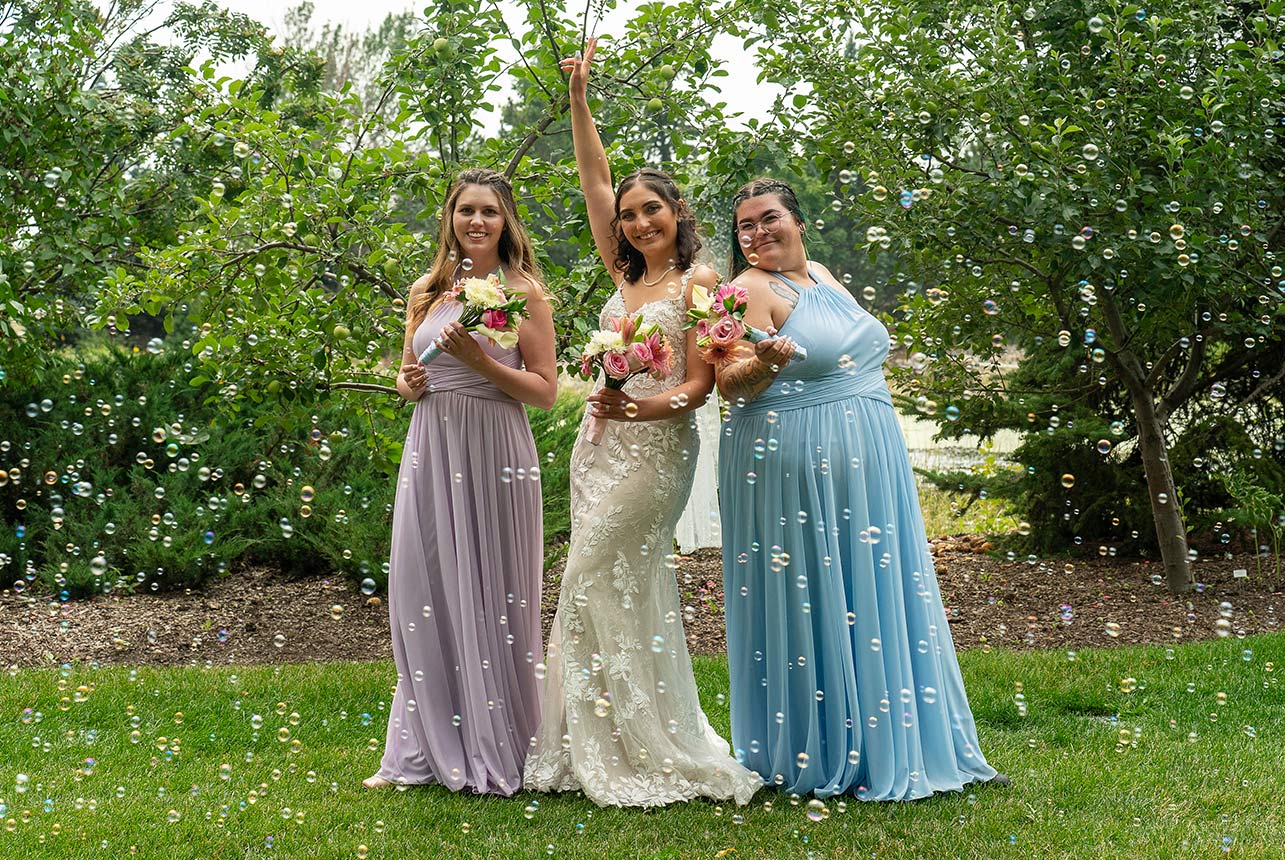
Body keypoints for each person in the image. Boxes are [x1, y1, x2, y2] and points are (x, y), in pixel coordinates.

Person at [524, 41, 762, 808]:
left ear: (677, 212)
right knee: (598, 589)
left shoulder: (701, 281)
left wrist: (641, 405)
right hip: (598, 449)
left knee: (592, 576)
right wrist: (580, 99)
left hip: (655, 448)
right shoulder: (625, 275)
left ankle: (650, 747)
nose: (634, 222)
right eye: (626, 216)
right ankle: (592, 741)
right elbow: (593, 178)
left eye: (649, 209)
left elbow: (699, 386)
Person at [713, 177, 1004, 800]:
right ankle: (823, 745)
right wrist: (764, 362)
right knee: (815, 590)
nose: (758, 234)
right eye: (746, 227)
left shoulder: (817, 272)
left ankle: (897, 737)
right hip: (793, 459)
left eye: (769, 219)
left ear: (797, 221)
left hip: (869, 451)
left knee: (874, 586)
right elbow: (728, 383)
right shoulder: (745, 290)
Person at [363, 168, 558, 795]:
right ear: (450, 217)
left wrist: (479, 361)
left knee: (491, 590)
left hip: (494, 447)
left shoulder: (524, 292)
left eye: (490, 212)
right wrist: (409, 384)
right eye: (466, 210)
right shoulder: (428, 289)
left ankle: (497, 740)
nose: (477, 222)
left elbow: (546, 392)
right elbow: (407, 370)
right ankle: (424, 745)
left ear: (507, 223)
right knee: (429, 587)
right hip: (432, 443)